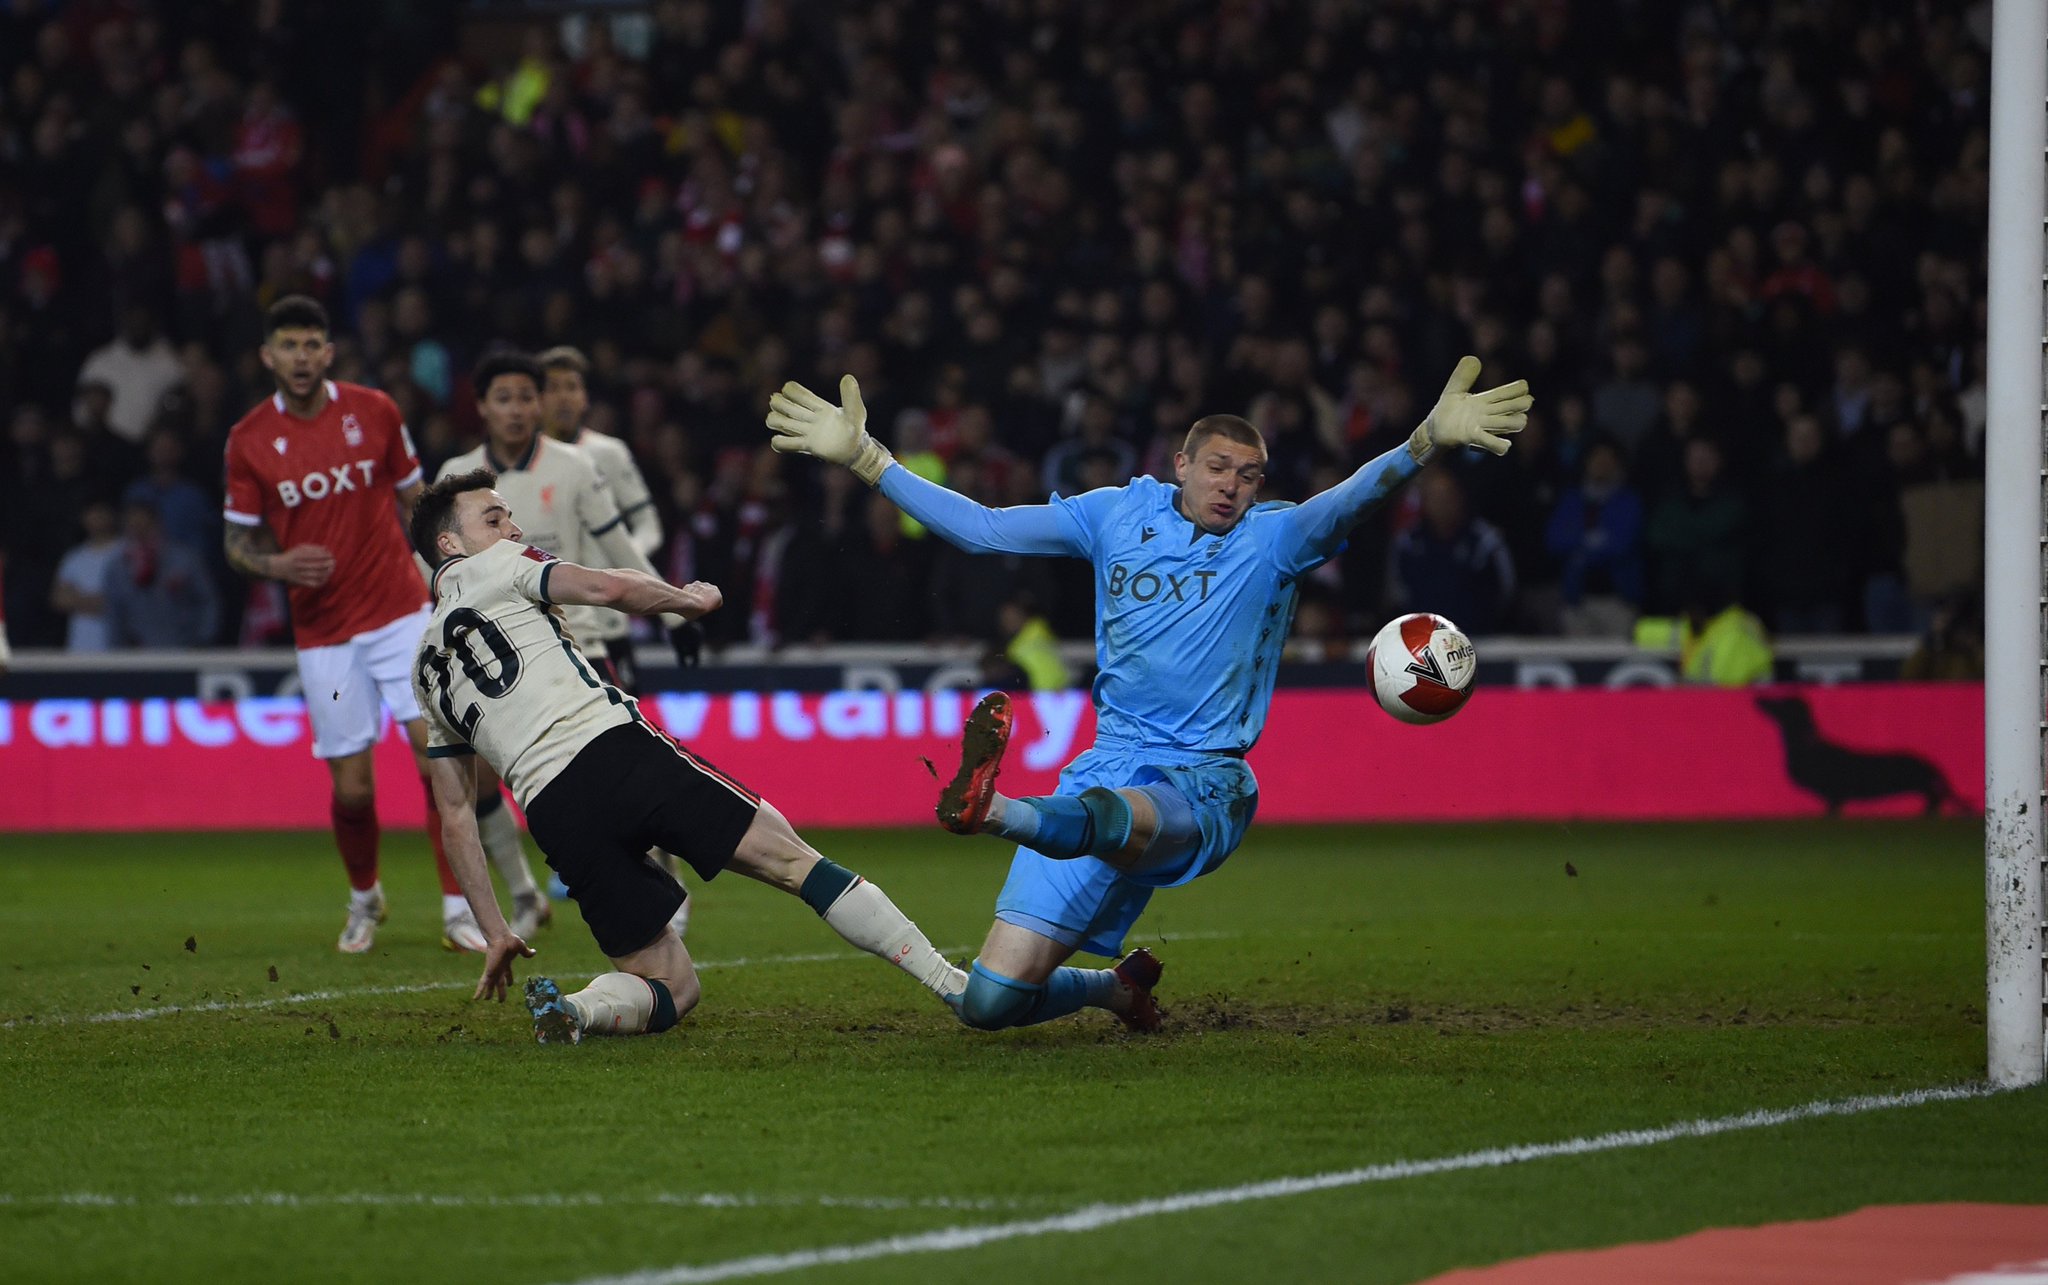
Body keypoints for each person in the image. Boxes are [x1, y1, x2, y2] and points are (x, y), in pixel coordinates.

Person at [766, 357, 1530, 1031]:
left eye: (1249, 475)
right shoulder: (1116, 513)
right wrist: (869, 459)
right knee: (990, 1004)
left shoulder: (1275, 540)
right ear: (1181, 464)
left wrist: (1424, 441)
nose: (1232, 486)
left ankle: (994, 810)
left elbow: (1349, 500)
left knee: (1116, 816)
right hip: (1111, 756)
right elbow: (985, 529)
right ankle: (1116, 988)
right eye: (1219, 467)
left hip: (1204, 780)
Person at [408, 468, 965, 1043]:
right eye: (494, 519)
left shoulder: (424, 667)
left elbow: (456, 814)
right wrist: (685, 600)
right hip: (612, 750)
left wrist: (495, 930)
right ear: (450, 544)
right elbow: (607, 589)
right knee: (796, 864)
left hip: (554, 812)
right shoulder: (502, 562)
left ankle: (574, 1011)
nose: (513, 528)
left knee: (672, 987)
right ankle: (952, 985)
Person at [222, 294, 476, 955]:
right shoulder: (249, 439)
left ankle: (459, 909)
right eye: (289, 345)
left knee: (440, 760)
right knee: (354, 788)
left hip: (400, 613)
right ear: (268, 356)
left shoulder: (376, 411)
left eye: (312, 344)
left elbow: (416, 500)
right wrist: (277, 565)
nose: (301, 357)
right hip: (324, 633)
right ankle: (365, 897)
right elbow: (235, 541)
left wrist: (448, 572)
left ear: (329, 352)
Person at [437, 351, 701, 938]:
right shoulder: (456, 476)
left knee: (626, 773)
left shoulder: (577, 466)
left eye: (525, 397)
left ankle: (667, 875)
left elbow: (619, 546)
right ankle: (525, 896)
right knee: (483, 780)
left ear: (539, 405)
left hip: (576, 646)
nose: (516, 409)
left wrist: (674, 609)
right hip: (495, 657)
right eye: (503, 398)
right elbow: (435, 565)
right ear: (481, 407)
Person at [103, 498, 218, 647]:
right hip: (138, 651)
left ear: (157, 524)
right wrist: (117, 651)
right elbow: (114, 613)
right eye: (134, 527)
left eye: (144, 526)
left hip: (183, 648)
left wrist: (201, 641)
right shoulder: (118, 567)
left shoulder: (184, 559)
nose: (140, 533)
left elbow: (208, 601)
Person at [50, 499, 123, 651]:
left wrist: (77, 599)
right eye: (91, 514)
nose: (95, 519)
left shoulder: (124, 552)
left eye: (100, 513)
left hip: (115, 646)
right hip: (80, 646)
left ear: (111, 515)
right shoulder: (74, 557)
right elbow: (59, 599)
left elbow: (120, 602)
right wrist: (96, 601)